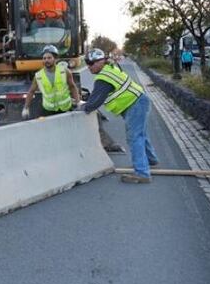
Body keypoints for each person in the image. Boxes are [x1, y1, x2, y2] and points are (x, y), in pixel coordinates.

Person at [80, 49, 159, 184]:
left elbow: (95, 102)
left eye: (91, 63)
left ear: (101, 61)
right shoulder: (109, 69)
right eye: (87, 63)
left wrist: (82, 107)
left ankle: (142, 173)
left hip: (134, 104)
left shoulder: (103, 78)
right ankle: (151, 160)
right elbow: (98, 94)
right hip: (138, 102)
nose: (89, 66)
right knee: (141, 134)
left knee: (134, 137)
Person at [22, 44, 79, 119]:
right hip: (48, 111)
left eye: (49, 58)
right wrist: (26, 108)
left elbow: (72, 87)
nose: (46, 60)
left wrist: (78, 102)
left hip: (66, 109)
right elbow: (31, 92)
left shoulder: (65, 71)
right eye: (44, 58)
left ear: (55, 59)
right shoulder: (38, 76)